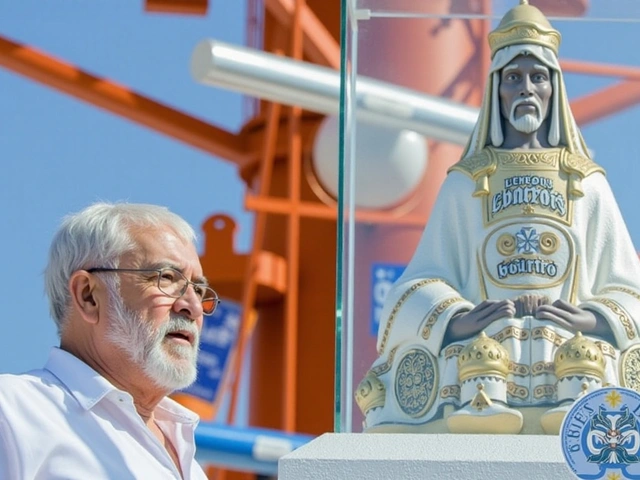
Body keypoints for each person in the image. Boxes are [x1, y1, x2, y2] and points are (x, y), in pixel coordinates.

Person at [356, 0, 640, 435]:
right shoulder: (466, 183)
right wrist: (458, 317)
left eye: (537, 77)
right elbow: (414, 286)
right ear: (497, 89)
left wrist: (592, 318)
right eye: (514, 77)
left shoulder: (587, 183)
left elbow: (629, 288)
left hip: (575, 350)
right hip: (482, 352)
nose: (526, 88)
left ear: (553, 88)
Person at [0, 202, 220, 478]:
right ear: (88, 296)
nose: (193, 307)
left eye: (199, 290)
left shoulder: (189, 460)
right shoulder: (13, 413)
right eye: (166, 278)